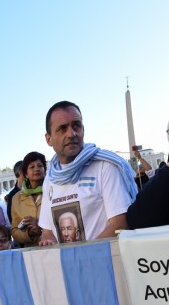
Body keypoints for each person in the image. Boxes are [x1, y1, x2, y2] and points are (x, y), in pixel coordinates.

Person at [39, 101, 137, 245]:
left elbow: (120, 224)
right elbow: (47, 231)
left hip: (104, 262)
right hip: (68, 265)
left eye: (76, 126)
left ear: (83, 130)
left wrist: (84, 255)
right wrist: (47, 241)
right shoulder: (49, 178)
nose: (71, 133)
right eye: (62, 128)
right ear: (49, 139)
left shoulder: (105, 167)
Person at [11, 151, 47, 247]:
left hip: (53, 246)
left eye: (40, 166)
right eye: (32, 167)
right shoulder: (16, 198)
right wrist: (29, 233)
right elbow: (14, 231)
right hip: (31, 252)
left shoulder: (53, 191)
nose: (37, 169)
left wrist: (41, 229)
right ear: (26, 174)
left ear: (45, 170)